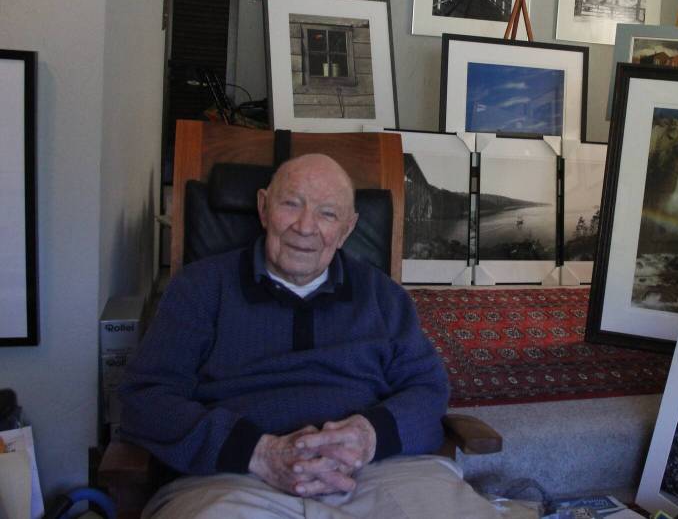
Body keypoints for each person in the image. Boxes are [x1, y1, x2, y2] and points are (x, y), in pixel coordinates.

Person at [119, 153, 506, 518]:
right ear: (263, 207)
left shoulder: (383, 296)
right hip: (236, 479)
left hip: (379, 472)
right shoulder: (200, 288)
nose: (305, 227)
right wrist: (258, 452)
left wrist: (368, 436)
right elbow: (146, 398)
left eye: (327, 213)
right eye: (291, 204)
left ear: (347, 228)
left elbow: (427, 389)